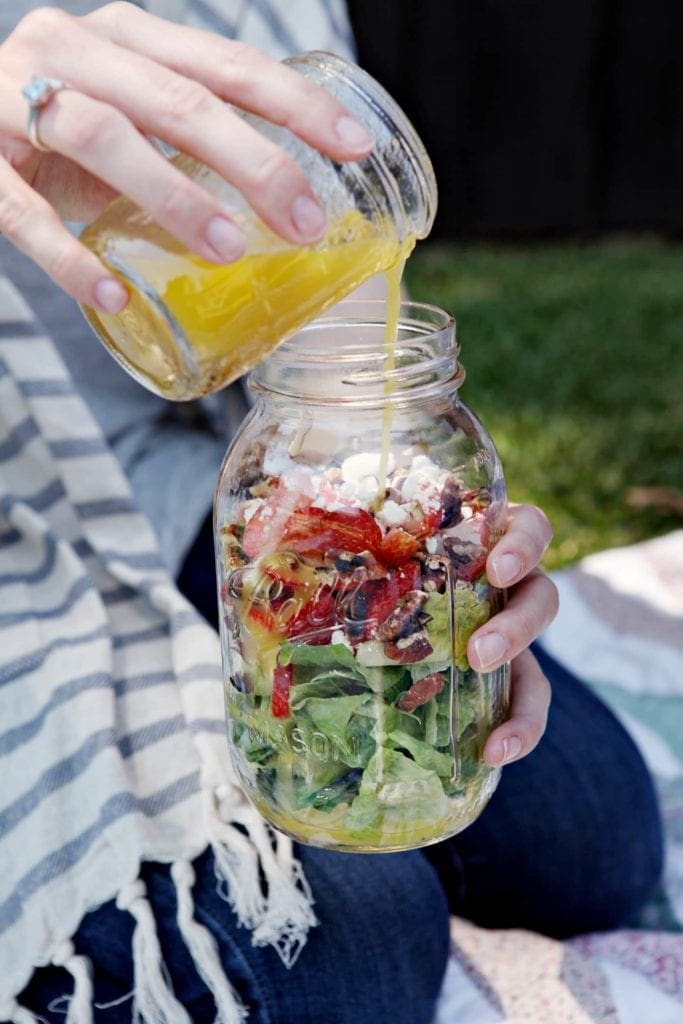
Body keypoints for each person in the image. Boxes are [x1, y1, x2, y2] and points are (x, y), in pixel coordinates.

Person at [0, 4, 663, 1023]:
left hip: (156, 475)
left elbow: (326, 327)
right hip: (23, 532)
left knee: (587, 829)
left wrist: (412, 524)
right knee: (352, 932)